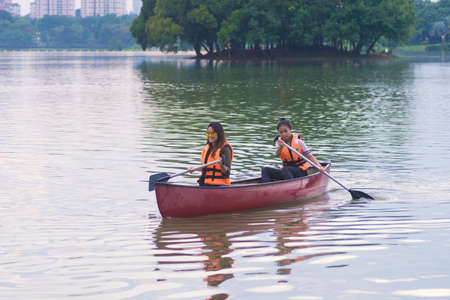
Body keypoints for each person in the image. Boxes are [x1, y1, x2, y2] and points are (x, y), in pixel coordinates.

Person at [261, 118, 323, 183]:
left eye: (286, 131)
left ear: (290, 130)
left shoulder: (299, 142)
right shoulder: (279, 143)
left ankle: (289, 187)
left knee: (286, 169)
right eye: (281, 132)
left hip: (301, 171)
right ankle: (266, 188)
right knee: (265, 170)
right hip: (286, 172)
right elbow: (277, 155)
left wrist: (319, 166)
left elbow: (309, 156)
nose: (284, 134)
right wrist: (281, 147)